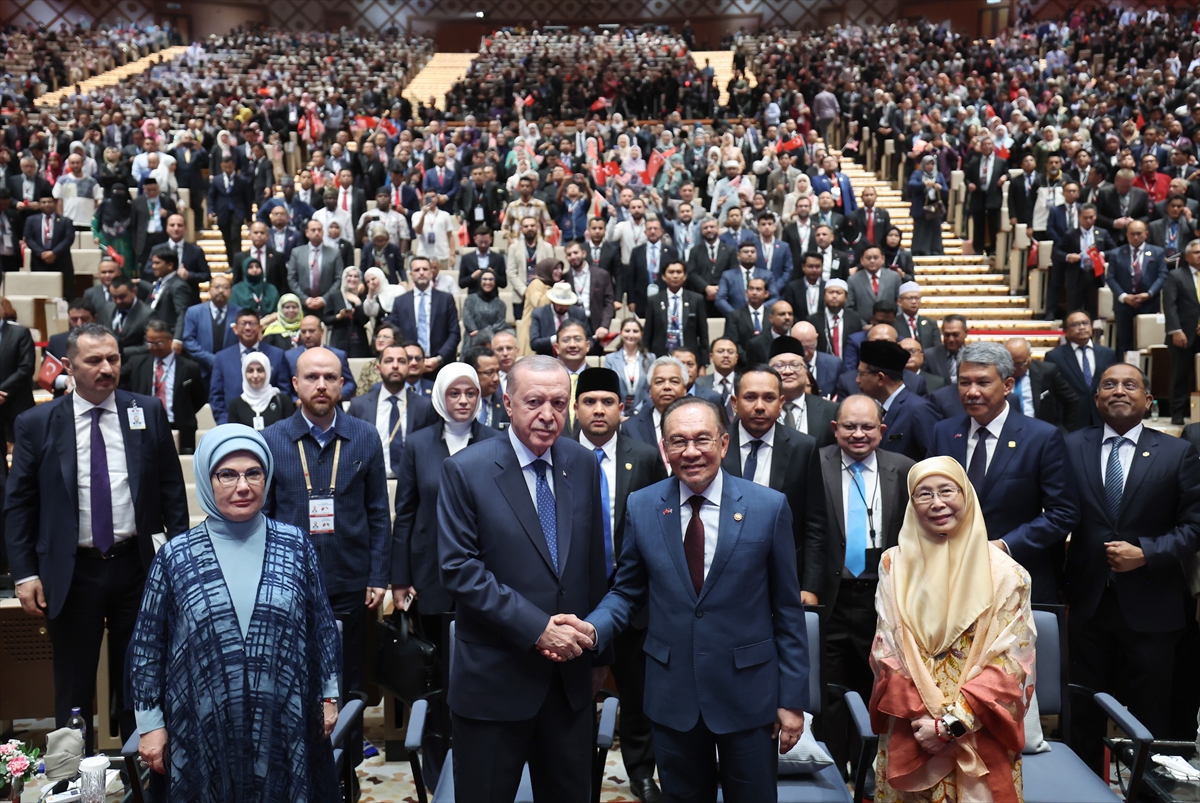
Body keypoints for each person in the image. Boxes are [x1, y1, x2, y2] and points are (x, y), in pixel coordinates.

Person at [577, 395, 810, 803]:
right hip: (672, 694)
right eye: (678, 441)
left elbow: (787, 610)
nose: (691, 452)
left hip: (749, 694)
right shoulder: (643, 505)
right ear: (664, 449)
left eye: (702, 439)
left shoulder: (767, 507)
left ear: (723, 443)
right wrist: (592, 629)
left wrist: (792, 700)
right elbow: (627, 590)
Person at [128, 424, 341, 801]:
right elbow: (147, 648)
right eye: (227, 474)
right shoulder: (176, 557)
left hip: (285, 720)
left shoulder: (295, 546)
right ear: (207, 479)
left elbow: (322, 626)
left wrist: (329, 695)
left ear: (267, 476)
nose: (243, 486)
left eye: (253, 472)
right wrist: (150, 724)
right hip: (200, 725)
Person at [5, 323, 188, 751]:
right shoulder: (36, 423)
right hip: (70, 572)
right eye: (94, 361)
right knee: (73, 685)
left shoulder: (146, 411)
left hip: (137, 567)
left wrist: (180, 560)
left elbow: (171, 494)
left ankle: (142, 776)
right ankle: (74, 782)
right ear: (69, 366)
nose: (107, 368)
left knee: (139, 679)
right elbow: (19, 506)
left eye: (114, 359)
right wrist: (25, 573)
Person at [437, 356, 607, 802]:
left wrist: (596, 651)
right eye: (534, 402)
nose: (547, 415)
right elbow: (459, 569)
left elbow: (592, 565)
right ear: (507, 403)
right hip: (495, 681)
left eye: (557, 402)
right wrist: (538, 628)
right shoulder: (466, 470)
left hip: (569, 684)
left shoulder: (582, 463)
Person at [868, 457, 1033, 803]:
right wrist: (924, 723)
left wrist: (949, 726)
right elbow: (887, 652)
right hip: (912, 729)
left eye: (947, 490)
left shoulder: (1007, 574)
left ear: (967, 495)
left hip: (980, 729)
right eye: (923, 494)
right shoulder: (893, 565)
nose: (937, 503)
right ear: (912, 505)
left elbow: (1012, 663)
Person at [263, 347, 391, 785]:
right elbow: (262, 516)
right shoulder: (272, 438)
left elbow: (378, 512)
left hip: (351, 580)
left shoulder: (365, 436)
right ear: (294, 384)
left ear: (343, 384)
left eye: (331, 377)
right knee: (294, 679)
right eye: (312, 377)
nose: (321, 385)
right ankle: (297, 767)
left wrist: (378, 575)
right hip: (289, 585)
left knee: (349, 679)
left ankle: (346, 771)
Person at [1063, 363, 1200, 770]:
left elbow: (1194, 526)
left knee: (1150, 716)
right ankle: (1080, 789)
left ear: (1148, 399)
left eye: (1130, 384)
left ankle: (1148, 788)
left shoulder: (1178, 452)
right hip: (1087, 604)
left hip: (1154, 604)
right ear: (1096, 398)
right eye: (1109, 384)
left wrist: (1147, 551)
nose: (1119, 391)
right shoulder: (1069, 446)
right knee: (1082, 710)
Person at [391, 363, 500, 785]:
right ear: (439, 396)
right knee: (435, 678)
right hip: (429, 578)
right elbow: (406, 515)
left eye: (470, 394)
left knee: (480, 671)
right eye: (454, 394)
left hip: (485, 576)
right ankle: (437, 769)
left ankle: (482, 760)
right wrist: (400, 578)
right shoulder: (418, 445)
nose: (462, 401)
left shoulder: (495, 441)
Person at [574, 367, 668, 802]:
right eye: (589, 402)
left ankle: (641, 772)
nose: (598, 410)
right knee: (572, 693)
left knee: (637, 694)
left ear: (622, 409)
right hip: (574, 601)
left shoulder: (644, 455)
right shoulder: (557, 454)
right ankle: (572, 771)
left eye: (607, 402)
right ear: (576, 408)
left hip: (633, 600)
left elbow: (655, 527)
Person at [929, 342, 1079, 604]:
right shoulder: (943, 432)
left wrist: (1005, 546)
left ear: (1008, 385)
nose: (972, 392)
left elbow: (1063, 513)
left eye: (983, 383)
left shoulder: (1041, 438)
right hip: (951, 580)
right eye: (964, 383)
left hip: (1016, 575)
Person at [815, 395, 916, 775]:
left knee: (875, 684)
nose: (858, 434)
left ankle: (865, 770)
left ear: (882, 431)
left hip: (883, 596)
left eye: (867, 427)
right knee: (830, 688)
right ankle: (831, 771)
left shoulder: (904, 469)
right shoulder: (817, 463)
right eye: (850, 427)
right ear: (835, 429)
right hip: (832, 594)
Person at [723, 364, 828, 602]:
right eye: (750, 397)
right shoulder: (715, 444)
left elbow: (815, 523)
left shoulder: (803, 448)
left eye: (769, 398)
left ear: (781, 403)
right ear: (734, 402)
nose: (760, 406)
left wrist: (810, 586)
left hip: (785, 576)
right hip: (723, 575)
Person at [347, 343, 436, 479]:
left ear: (408, 367)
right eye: (389, 361)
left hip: (412, 484)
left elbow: (431, 450)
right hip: (370, 482)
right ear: (378, 368)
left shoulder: (424, 406)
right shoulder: (359, 405)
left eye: (401, 361)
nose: (395, 366)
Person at [120, 320, 207, 453]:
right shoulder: (136, 363)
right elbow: (118, 382)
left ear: (170, 339)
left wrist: (184, 411)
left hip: (180, 426)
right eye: (150, 343)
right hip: (145, 425)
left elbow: (200, 397)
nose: (153, 347)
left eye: (158, 343)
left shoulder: (189, 367)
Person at [856, 340, 938, 461]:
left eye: (861, 374)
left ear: (880, 378)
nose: (857, 380)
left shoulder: (919, 409)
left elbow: (935, 459)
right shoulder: (877, 408)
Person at [209, 310, 292, 425]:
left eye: (252, 323)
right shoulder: (222, 358)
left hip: (273, 425)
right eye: (243, 324)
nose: (248, 328)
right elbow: (216, 396)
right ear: (235, 329)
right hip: (233, 425)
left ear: (260, 328)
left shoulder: (277, 354)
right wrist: (226, 425)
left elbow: (284, 391)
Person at [385, 256, 461, 374]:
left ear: (431, 272)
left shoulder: (446, 299)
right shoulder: (400, 301)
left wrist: (439, 358)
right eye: (417, 270)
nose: (421, 272)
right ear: (411, 275)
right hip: (409, 366)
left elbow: (454, 333)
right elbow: (394, 333)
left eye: (425, 269)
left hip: (440, 364)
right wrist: (408, 358)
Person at [1044, 310, 1119, 429]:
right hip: (1071, 421)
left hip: (1102, 418)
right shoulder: (1054, 357)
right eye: (1075, 325)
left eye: (1085, 323)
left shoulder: (1108, 354)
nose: (1082, 327)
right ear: (1065, 331)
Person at [1107, 219, 1167, 356]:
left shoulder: (1157, 252)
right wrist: (1124, 296)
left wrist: (1149, 294)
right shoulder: (1116, 253)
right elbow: (1110, 278)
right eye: (1132, 234)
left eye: (1139, 233)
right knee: (1124, 342)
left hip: (1149, 304)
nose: (1135, 237)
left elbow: (1162, 276)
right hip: (1124, 305)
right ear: (1126, 235)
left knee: (1147, 342)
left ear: (1146, 234)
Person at [767, 335, 839, 445]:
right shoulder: (757, 409)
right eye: (779, 365)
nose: (787, 371)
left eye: (795, 365)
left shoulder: (830, 411)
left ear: (806, 371)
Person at [1163, 240, 1200, 424]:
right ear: (1186, 256)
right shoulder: (1176, 275)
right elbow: (1170, 306)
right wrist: (1176, 330)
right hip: (1182, 334)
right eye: (1196, 252)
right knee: (1180, 374)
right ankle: (1177, 414)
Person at [1005, 337, 1079, 429]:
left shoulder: (1047, 371)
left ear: (1029, 357)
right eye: (1011, 364)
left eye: (1020, 364)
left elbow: (1071, 399)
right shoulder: (1000, 375)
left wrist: (1065, 429)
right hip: (1009, 430)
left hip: (1040, 430)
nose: (1015, 368)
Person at [643, 260, 709, 358]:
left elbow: (703, 335)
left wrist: (704, 363)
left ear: (685, 276)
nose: (675, 276)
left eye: (679, 272)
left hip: (688, 355)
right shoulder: (654, 300)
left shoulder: (696, 299)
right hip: (660, 355)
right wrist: (645, 357)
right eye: (671, 272)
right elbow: (648, 333)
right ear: (663, 276)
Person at [283, 316, 358, 401]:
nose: (307, 335)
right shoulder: (289, 356)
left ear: (321, 332)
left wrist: (338, 395)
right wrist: (295, 400)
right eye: (303, 332)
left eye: (311, 331)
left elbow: (350, 383)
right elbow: (285, 387)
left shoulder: (338, 355)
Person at [182, 274, 240, 383]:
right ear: (209, 289)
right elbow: (188, 340)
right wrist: (211, 359)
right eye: (217, 287)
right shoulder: (194, 312)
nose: (221, 290)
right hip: (201, 370)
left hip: (230, 370)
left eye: (225, 287)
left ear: (231, 291)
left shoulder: (239, 313)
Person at [25, 192, 75, 297]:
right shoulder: (31, 220)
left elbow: (69, 239)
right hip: (39, 261)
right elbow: (29, 239)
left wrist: (54, 253)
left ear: (55, 203)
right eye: (43, 202)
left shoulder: (66, 221)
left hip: (61, 261)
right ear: (39, 204)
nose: (47, 204)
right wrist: (42, 253)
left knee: (64, 294)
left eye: (49, 202)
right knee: (40, 293)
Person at [604, 318, 656, 415]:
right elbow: (608, 389)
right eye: (627, 331)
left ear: (641, 334)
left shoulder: (651, 359)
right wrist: (620, 413)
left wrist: (638, 411)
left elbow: (652, 389)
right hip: (617, 413)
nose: (631, 335)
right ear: (621, 333)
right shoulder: (610, 359)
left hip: (644, 412)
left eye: (635, 331)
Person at [227, 352, 291, 431]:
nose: (255, 376)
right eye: (250, 371)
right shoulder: (235, 405)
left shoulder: (282, 401)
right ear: (244, 373)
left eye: (260, 370)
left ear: (267, 372)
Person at [0, 314, 36, 443]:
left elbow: (26, 367)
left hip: (16, 400)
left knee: (23, 449)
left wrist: (3, 390)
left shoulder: (20, 333)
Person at [518, 257, 564, 355]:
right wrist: (555, 290)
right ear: (547, 269)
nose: (560, 271)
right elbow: (539, 304)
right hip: (531, 329)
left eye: (561, 268)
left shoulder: (551, 285)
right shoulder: (536, 283)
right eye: (555, 268)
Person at [324, 266, 370, 358]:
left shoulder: (362, 297)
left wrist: (357, 302)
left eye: (356, 276)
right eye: (350, 276)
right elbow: (326, 319)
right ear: (344, 278)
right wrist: (339, 316)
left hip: (358, 341)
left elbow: (364, 320)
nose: (352, 279)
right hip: (339, 339)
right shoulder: (335, 295)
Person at [907, 155, 948, 256]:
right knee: (920, 230)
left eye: (932, 164)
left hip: (934, 208)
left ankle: (935, 250)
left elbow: (946, 190)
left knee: (935, 229)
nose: (930, 166)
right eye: (928, 164)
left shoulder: (939, 175)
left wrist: (939, 187)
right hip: (920, 207)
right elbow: (911, 184)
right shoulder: (917, 174)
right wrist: (924, 184)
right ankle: (919, 250)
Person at [92, 182, 134, 277]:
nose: (118, 195)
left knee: (125, 270)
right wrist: (95, 235)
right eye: (116, 192)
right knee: (108, 269)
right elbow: (95, 220)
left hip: (126, 243)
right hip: (107, 242)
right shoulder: (105, 205)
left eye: (121, 192)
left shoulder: (131, 208)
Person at [462, 267, 511, 342]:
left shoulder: (500, 304)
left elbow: (499, 326)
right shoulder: (470, 300)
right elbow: (468, 320)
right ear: (479, 281)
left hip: (492, 341)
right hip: (471, 340)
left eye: (491, 279)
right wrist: (478, 333)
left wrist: (481, 334)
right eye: (484, 279)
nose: (488, 282)